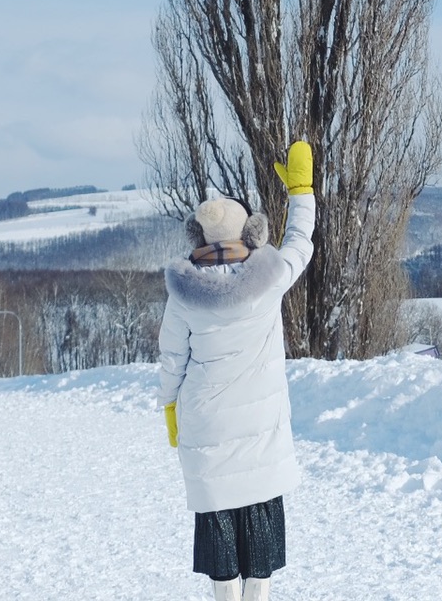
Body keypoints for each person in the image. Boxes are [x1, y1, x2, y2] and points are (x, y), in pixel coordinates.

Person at [159, 141, 315, 601]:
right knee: (260, 533)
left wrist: (171, 409)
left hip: (206, 429)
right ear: (251, 231)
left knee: (220, 534)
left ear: (199, 238)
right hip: (260, 433)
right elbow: (300, 242)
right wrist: (301, 191)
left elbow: (172, 361)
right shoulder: (270, 279)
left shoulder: (184, 293)